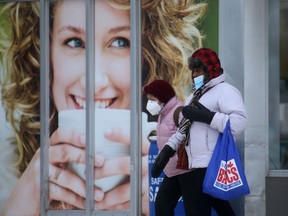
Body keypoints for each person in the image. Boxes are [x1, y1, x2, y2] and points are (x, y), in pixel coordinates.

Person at [0, 0, 207, 215]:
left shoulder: (196, 155)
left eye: (120, 42)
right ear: (43, 54)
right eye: (74, 42)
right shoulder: (6, 173)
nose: (94, 81)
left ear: (149, 57)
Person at [152, 48, 248, 216]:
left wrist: (208, 117)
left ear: (210, 70)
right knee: (209, 208)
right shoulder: (194, 96)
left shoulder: (225, 91)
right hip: (192, 164)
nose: (195, 75)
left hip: (211, 163)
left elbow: (238, 124)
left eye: (199, 70)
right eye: (193, 71)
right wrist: (168, 149)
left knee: (200, 210)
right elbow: (183, 128)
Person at [143, 79, 193, 216]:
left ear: (162, 97)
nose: (150, 103)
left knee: (194, 209)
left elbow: (188, 136)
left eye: (152, 99)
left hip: (186, 171)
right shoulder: (163, 113)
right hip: (172, 172)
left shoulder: (179, 112)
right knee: (162, 205)